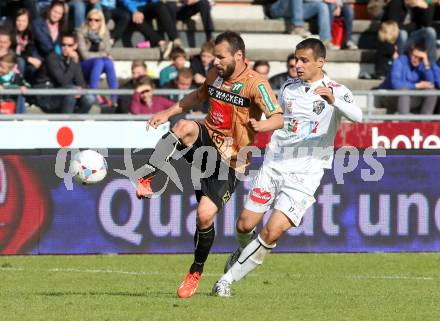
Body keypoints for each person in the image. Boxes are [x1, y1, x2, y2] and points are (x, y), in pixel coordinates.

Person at [136, 31, 284, 298]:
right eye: (215, 56)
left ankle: (196, 270)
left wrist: (262, 124)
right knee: (183, 126)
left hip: (232, 161)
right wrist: (167, 112)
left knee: (204, 216)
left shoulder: (256, 84)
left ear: (238, 56)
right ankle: (146, 177)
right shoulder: (215, 75)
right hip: (207, 140)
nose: (216, 61)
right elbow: (198, 96)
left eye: (221, 56)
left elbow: (278, 117)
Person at [211, 38, 363, 297]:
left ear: (320, 62)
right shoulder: (288, 87)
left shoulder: (336, 89)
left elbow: (358, 116)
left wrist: (334, 100)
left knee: (273, 230)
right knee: (244, 225)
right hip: (274, 164)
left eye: (304, 60)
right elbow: (276, 117)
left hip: (306, 172)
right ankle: (242, 250)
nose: (298, 65)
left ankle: (225, 281)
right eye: (296, 59)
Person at [32, 33, 95, 113]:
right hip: (46, 96)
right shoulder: (52, 58)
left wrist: (81, 89)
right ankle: (66, 122)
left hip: (63, 93)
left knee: (90, 98)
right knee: (71, 90)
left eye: (69, 45)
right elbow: (63, 81)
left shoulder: (73, 58)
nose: (66, 48)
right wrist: (74, 62)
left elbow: (80, 82)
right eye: (63, 45)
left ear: (75, 46)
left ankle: (78, 123)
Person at [377, 42, 436, 114]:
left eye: (420, 58)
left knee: (432, 92)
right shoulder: (399, 62)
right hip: (389, 95)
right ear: (410, 54)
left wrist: (426, 63)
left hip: (407, 97)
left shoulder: (422, 64)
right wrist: (417, 86)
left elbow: (431, 84)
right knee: (404, 91)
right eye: (414, 56)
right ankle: (405, 124)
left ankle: (425, 124)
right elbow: (395, 84)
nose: (416, 59)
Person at [77, 8, 118, 107]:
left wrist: (105, 55)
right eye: (90, 19)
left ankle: (114, 98)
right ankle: (93, 94)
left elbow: (108, 50)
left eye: (96, 20)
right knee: (100, 61)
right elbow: (85, 55)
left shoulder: (105, 32)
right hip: (83, 65)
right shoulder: (81, 32)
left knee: (108, 62)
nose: (93, 22)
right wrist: (103, 55)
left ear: (101, 21)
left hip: (100, 63)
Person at [13, 8, 42, 81]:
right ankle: (16, 86)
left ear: (28, 22)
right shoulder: (12, 34)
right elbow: (11, 53)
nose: (20, 23)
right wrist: (28, 58)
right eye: (18, 20)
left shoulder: (31, 34)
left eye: (24, 21)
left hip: (28, 65)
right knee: (20, 61)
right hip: (14, 63)